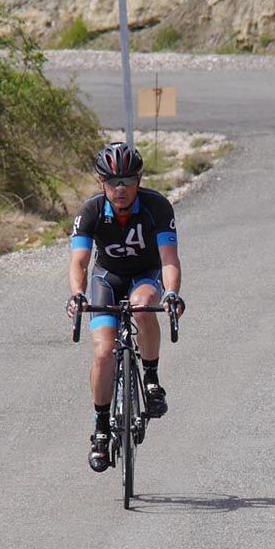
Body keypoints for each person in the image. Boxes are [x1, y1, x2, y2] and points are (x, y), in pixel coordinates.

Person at [66, 142, 185, 472]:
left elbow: (169, 260)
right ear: (101, 182)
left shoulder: (156, 207)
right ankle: (101, 430)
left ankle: (150, 379)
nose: (121, 189)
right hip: (107, 277)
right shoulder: (90, 211)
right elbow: (79, 261)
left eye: (128, 181)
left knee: (143, 306)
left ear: (140, 180)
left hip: (145, 276)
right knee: (104, 353)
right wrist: (78, 294)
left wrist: (171, 293)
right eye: (113, 182)